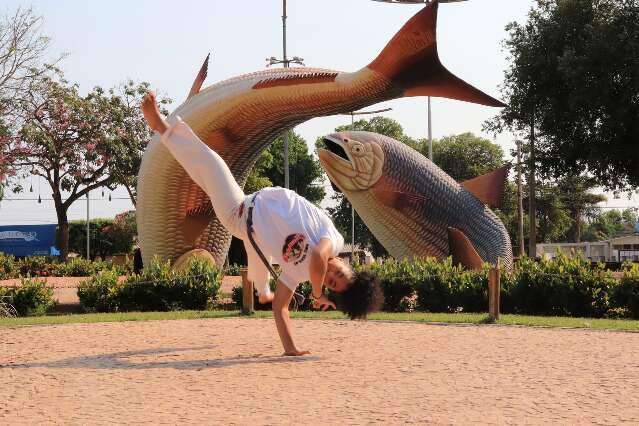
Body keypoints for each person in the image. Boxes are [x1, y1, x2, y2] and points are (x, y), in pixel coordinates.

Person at [141, 92, 383, 356]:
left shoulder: (298, 274)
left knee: (210, 163)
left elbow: (282, 308)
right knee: (259, 257)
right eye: (340, 274)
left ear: (328, 288)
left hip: (239, 215)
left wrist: (291, 347)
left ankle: (161, 126)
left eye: (332, 283)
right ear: (348, 265)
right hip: (251, 207)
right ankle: (262, 287)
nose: (332, 275)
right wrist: (315, 293)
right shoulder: (333, 240)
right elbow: (317, 256)